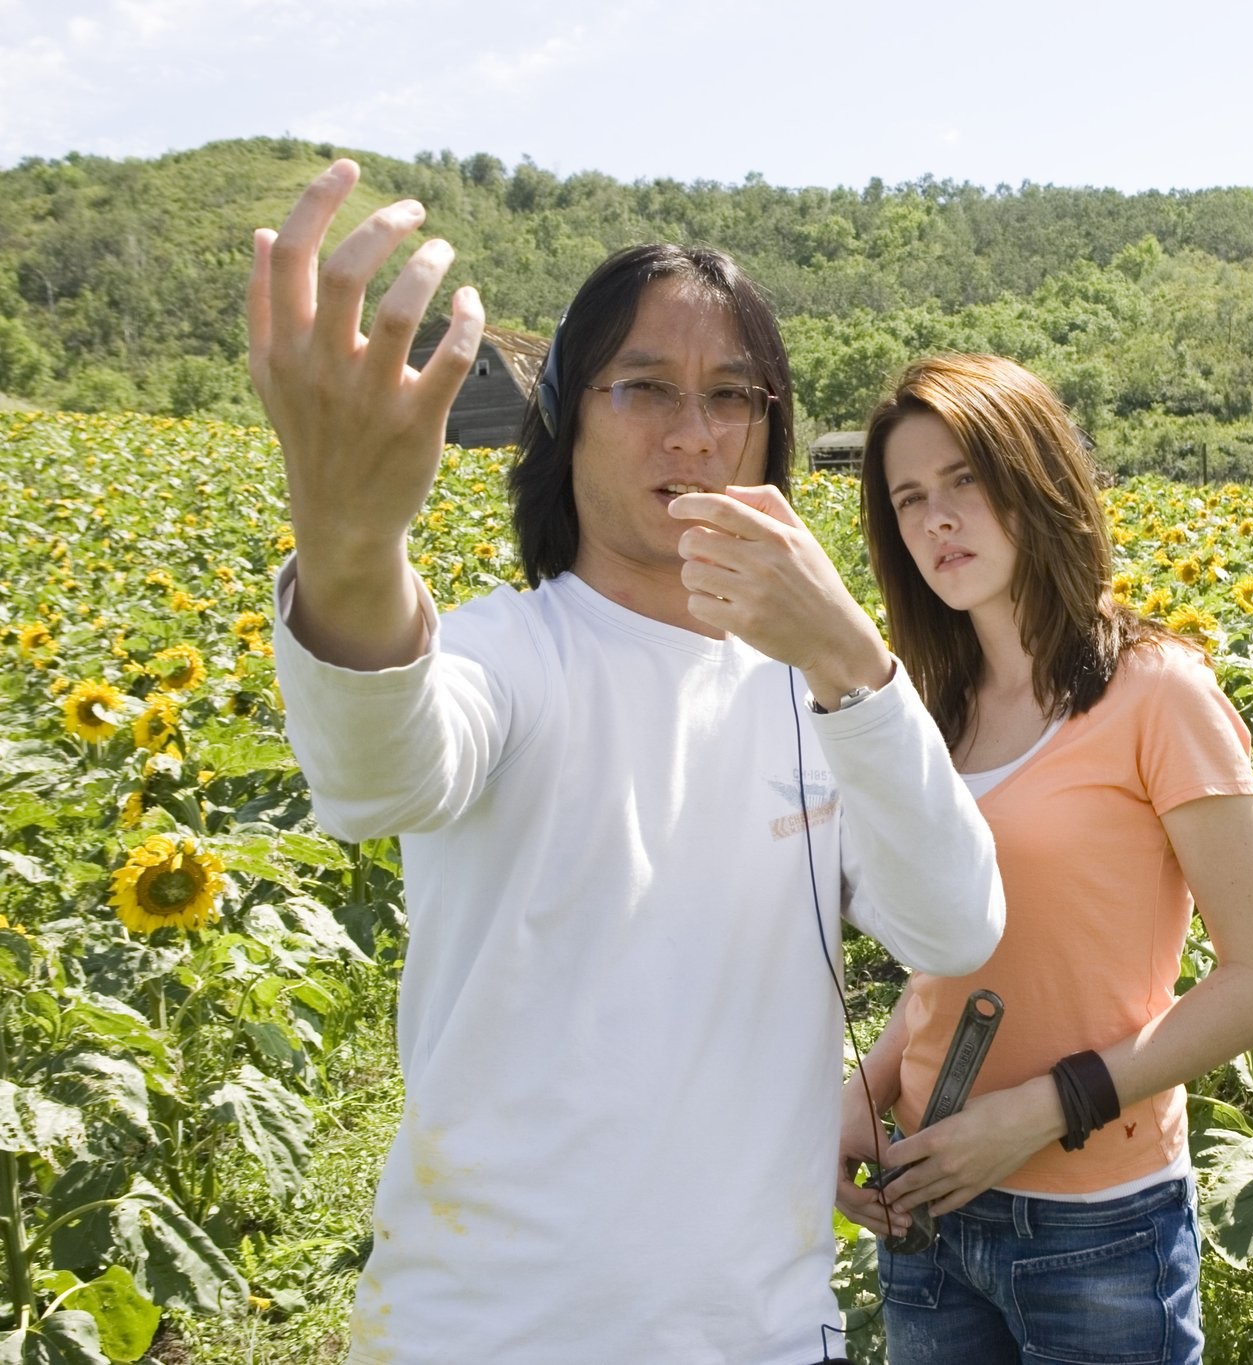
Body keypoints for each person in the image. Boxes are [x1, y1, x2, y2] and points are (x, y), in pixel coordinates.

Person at [247, 161, 1003, 1365]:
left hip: (762, 1332)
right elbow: (379, 775)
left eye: (731, 396)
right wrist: (347, 545)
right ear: (566, 422)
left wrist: (850, 656)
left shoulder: (818, 689)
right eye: (642, 389)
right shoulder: (508, 652)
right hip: (485, 1334)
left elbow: (953, 926)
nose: (693, 436)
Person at [834, 354, 1253, 1363]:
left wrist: (1033, 1116)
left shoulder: (1156, 694)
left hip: (1093, 1225)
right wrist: (865, 1094)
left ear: (1034, 478)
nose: (935, 521)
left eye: (963, 479)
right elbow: (946, 973)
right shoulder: (931, 707)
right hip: (922, 1202)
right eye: (909, 499)